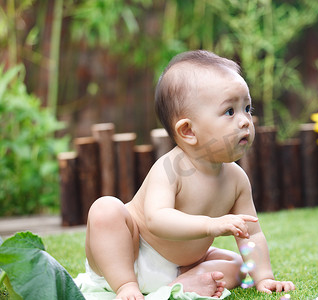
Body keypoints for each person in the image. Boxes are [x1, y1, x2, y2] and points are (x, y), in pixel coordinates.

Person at [83, 50, 296, 299]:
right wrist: (210, 225)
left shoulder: (237, 179)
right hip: (130, 255)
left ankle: (184, 283)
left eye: (247, 108)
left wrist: (264, 276)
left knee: (239, 266)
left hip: (181, 266)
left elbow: (253, 233)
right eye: (230, 111)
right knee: (105, 209)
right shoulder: (170, 168)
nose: (245, 121)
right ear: (188, 131)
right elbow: (156, 219)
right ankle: (126, 287)